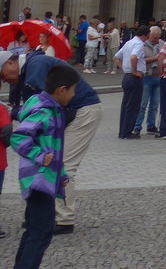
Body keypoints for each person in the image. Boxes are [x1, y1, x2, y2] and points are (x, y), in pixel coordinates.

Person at [2, 49, 102, 235]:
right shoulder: (28, 69)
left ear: (10, 63)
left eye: (3, 75)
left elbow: (44, 103)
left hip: (82, 111)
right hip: (71, 112)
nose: (4, 80)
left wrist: (15, 112)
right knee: (48, 160)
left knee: (63, 164)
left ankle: (63, 219)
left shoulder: (35, 66)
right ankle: (40, 214)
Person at [8, 61, 78, 269]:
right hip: (39, 179)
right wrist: (39, 156)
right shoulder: (45, 112)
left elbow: (54, 149)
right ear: (61, 90)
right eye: (73, 90)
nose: (74, 95)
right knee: (41, 232)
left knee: (34, 231)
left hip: (45, 177)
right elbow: (19, 138)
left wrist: (62, 172)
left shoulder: (51, 108)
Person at [113, 24, 149, 138]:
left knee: (126, 104)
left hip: (126, 77)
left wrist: (125, 68)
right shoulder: (139, 44)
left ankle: (122, 131)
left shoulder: (129, 42)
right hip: (134, 77)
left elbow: (116, 57)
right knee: (133, 105)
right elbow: (134, 57)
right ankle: (128, 131)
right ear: (145, 35)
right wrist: (134, 71)